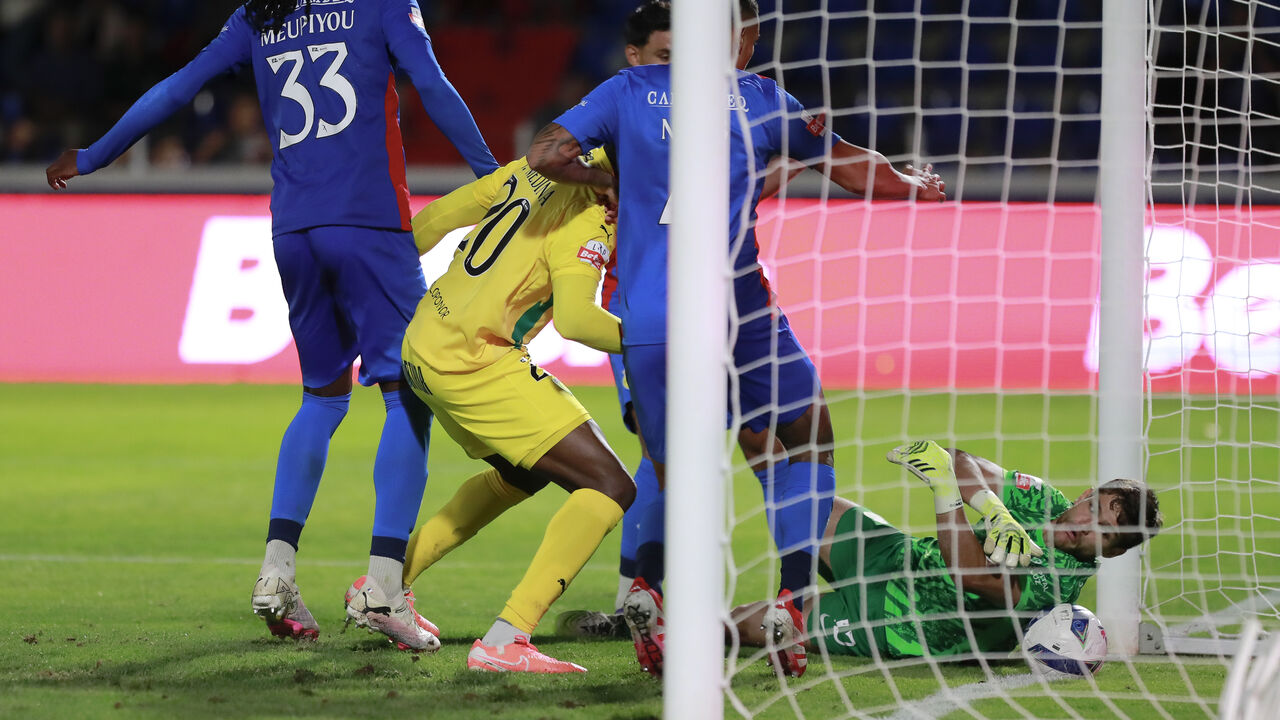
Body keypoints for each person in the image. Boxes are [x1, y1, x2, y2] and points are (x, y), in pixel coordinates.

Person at [46, 0, 498, 651]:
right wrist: (496, 175)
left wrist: (94, 155)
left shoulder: (262, 11)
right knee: (408, 395)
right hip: (368, 221)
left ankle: (277, 573)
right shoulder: (382, 3)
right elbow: (431, 84)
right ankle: (383, 588)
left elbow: (180, 86)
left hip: (294, 229)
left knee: (322, 396)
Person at [525, 0, 946, 677]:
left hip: (650, 317)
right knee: (807, 432)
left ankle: (645, 588)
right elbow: (851, 165)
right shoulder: (759, 98)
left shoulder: (625, 90)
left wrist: (607, 179)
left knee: (668, 465)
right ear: (739, 37)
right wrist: (914, 185)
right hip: (739, 310)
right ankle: (794, 598)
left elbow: (544, 153)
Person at [391, 148, 636, 673]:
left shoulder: (534, 166)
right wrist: (663, 339)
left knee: (519, 473)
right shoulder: (592, 216)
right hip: (476, 363)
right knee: (610, 486)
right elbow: (575, 321)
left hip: (424, 342)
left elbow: (432, 220)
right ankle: (508, 637)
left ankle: (385, 584)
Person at [732, 440, 1164, 662]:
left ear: (1112, 551)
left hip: (897, 624)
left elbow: (971, 576)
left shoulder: (1059, 584)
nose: (1086, 524)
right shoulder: (1044, 500)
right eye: (1093, 508)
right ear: (1088, 494)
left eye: (1103, 533)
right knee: (800, 500)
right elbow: (960, 461)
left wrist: (948, 494)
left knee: (751, 626)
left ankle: (675, 642)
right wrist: (993, 509)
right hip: (900, 557)